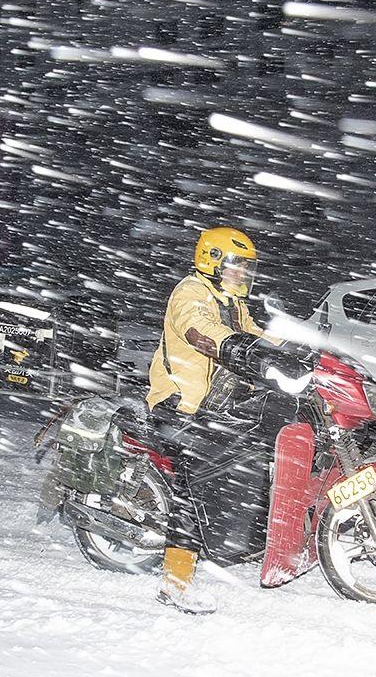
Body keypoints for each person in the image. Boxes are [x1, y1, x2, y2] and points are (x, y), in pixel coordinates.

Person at [146, 226, 312, 614]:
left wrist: (295, 351)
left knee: (256, 448)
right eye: (237, 267)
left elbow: (252, 334)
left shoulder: (232, 303)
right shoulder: (190, 293)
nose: (243, 275)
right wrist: (238, 347)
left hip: (216, 404)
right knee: (193, 483)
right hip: (179, 405)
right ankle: (175, 583)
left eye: (247, 268)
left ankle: (251, 534)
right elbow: (201, 330)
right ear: (212, 261)